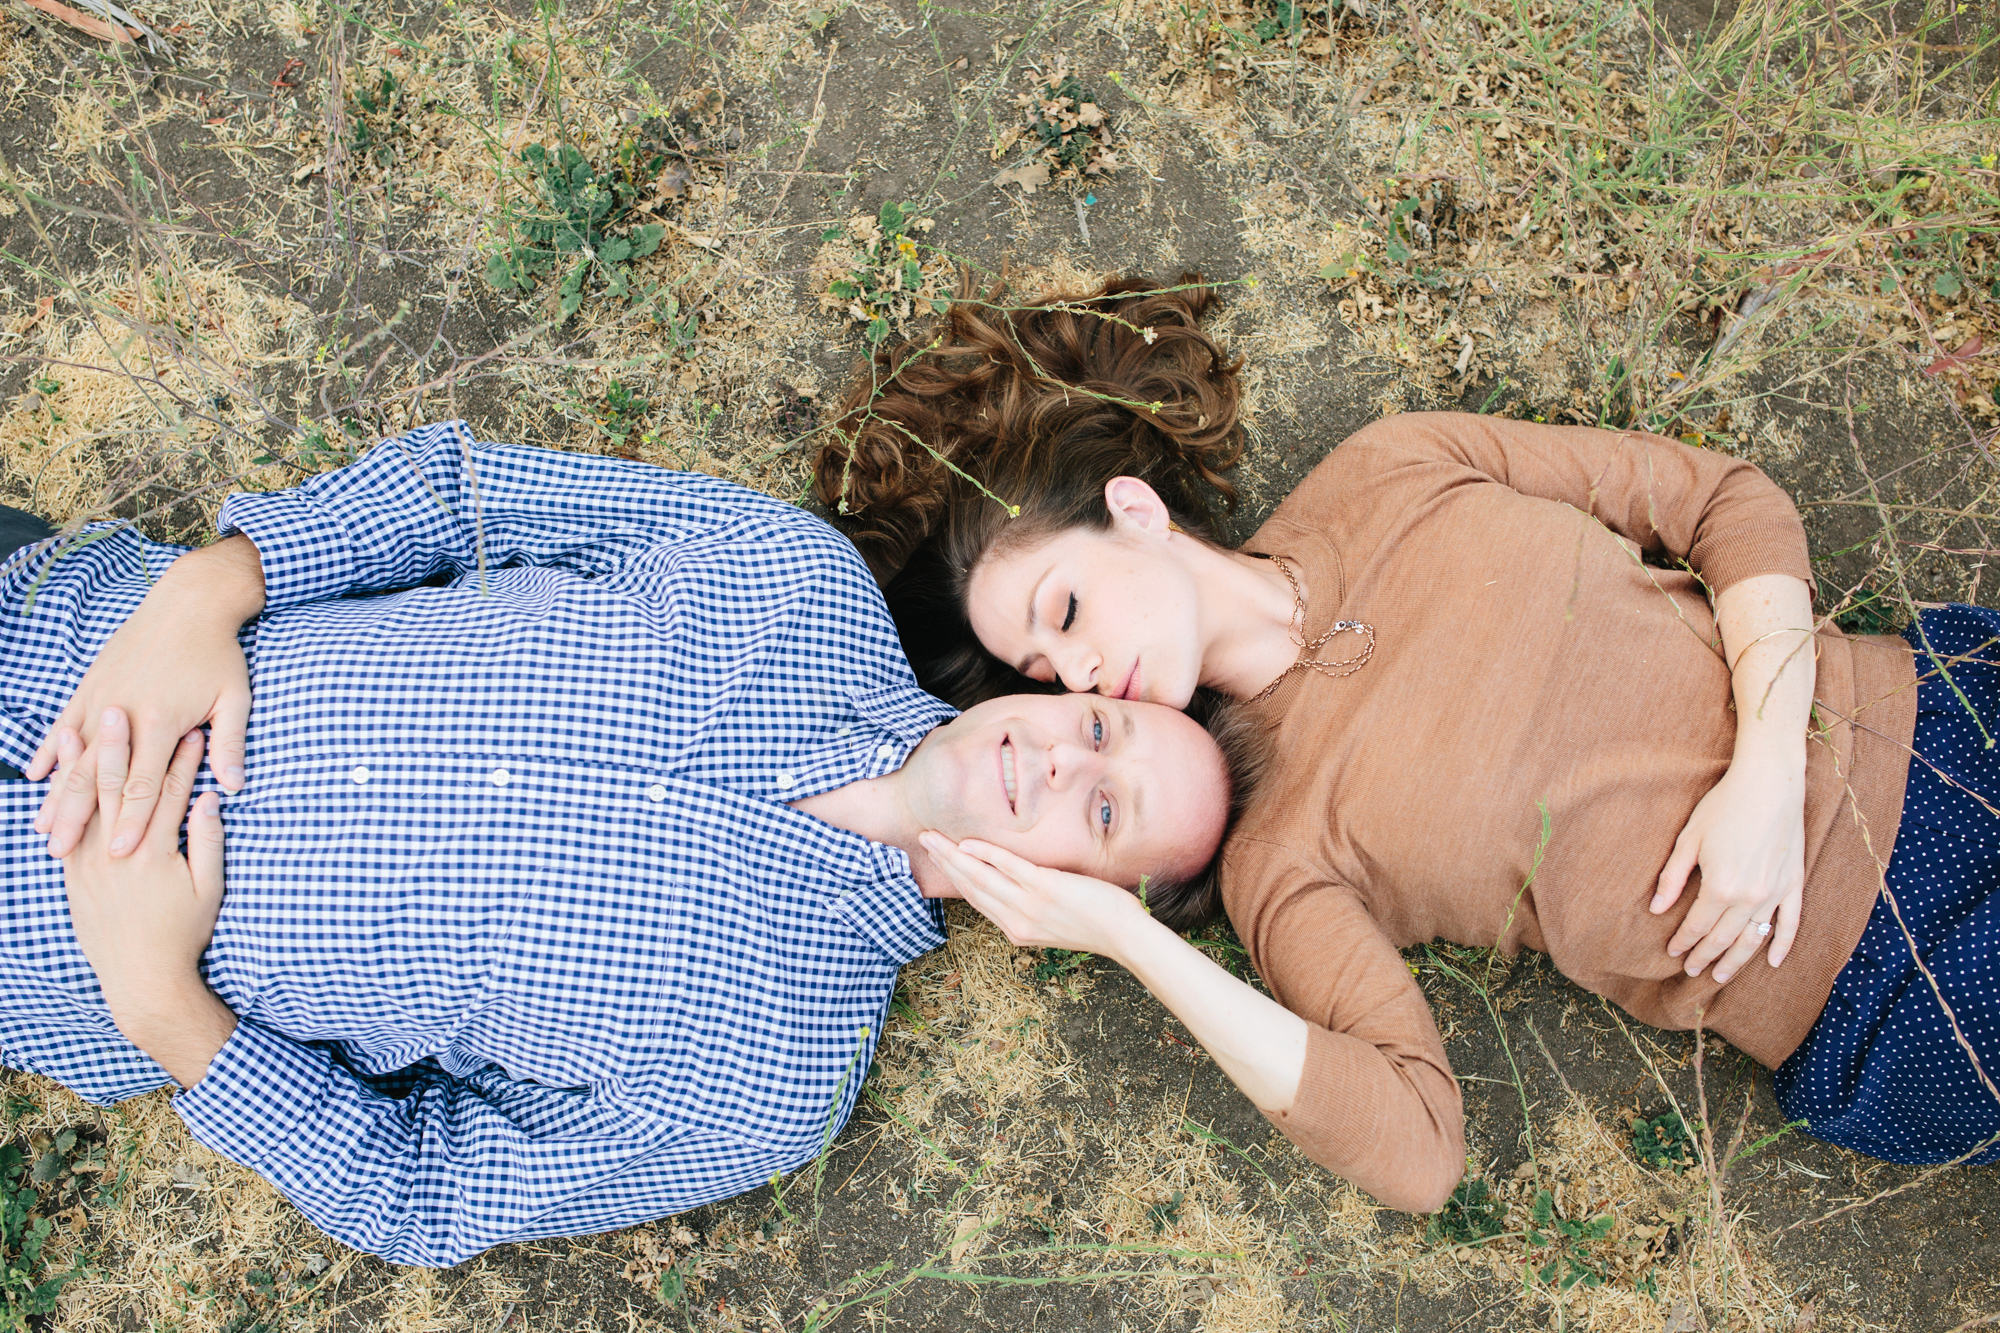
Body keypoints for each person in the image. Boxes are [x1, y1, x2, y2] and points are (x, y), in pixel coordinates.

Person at [812, 275, 2000, 1213]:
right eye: (1039, 672)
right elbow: (1418, 1151)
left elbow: (1723, 503)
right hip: (1894, 990)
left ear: (1131, 510)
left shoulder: (1391, 468)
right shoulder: (1274, 851)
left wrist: (1768, 769)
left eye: (1062, 611)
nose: (1072, 670)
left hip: (1947, 713)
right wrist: (1128, 936)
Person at [0, 421, 1257, 1266]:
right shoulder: (790, 578)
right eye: (1099, 722)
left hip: (38, 940)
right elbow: (461, 493)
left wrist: (160, 1003)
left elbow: (425, 1193)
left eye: (1100, 812)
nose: (1062, 756)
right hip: (54, 641)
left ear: (1064, 909)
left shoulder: (770, 1078)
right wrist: (197, 597)